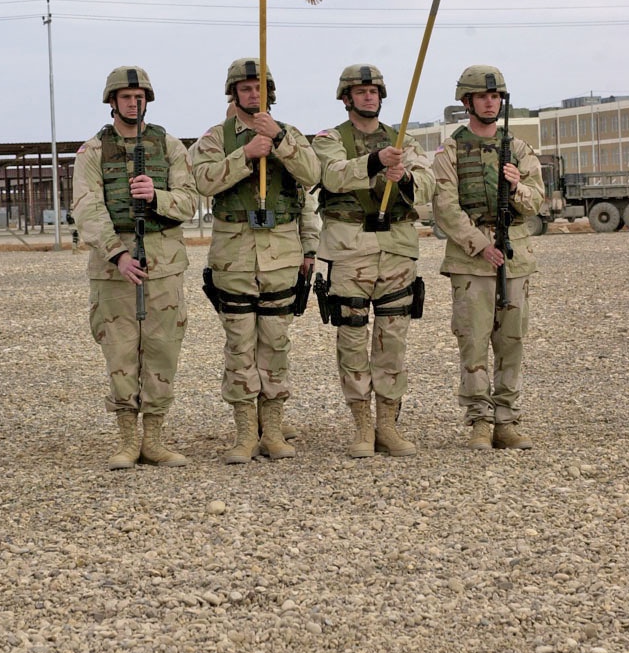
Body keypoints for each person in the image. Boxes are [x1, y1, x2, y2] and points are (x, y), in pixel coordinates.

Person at [190, 58, 320, 464]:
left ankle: (274, 428)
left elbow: (312, 174)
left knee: (276, 344)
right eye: (245, 89)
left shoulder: (290, 134)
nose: (252, 95)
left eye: (259, 88)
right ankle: (246, 432)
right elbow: (202, 180)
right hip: (235, 257)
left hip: (281, 255)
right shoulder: (216, 138)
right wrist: (245, 154)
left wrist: (278, 140)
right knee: (239, 345)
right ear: (234, 94)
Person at [72, 66, 198, 469]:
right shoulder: (93, 151)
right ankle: (127, 441)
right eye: (125, 96)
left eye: (139, 96)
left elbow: (189, 202)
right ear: (112, 102)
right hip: (114, 266)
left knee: (162, 350)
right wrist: (118, 254)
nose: (133, 102)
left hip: (163, 261)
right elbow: (86, 207)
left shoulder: (170, 146)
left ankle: (155, 441)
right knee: (121, 351)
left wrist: (156, 196)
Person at [312, 64, 435, 458]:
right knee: (351, 337)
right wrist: (376, 162)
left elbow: (429, 181)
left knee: (392, 341)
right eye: (361, 92)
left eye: (374, 91)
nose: (369, 97)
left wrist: (406, 177)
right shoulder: (330, 139)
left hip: (396, 250)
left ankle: (387, 425)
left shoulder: (403, 140)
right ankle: (362, 425)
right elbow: (331, 176)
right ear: (346, 98)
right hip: (349, 251)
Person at [431, 65, 545, 451]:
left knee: (511, 339)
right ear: (467, 102)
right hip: (471, 260)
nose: (491, 102)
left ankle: (506, 419)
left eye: (496, 97)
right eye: (483, 96)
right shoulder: (451, 151)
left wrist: (516, 187)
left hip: (514, 254)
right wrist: (480, 244)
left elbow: (536, 201)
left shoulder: (519, 149)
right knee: (474, 341)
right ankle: (480, 420)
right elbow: (444, 206)